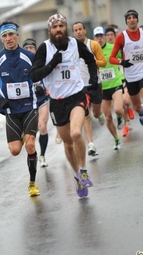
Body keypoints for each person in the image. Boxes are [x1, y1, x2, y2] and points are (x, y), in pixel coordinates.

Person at [31, 13, 98, 198]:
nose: (58, 29)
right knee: (68, 144)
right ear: (50, 30)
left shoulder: (76, 44)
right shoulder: (45, 48)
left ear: (65, 28)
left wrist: (93, 80)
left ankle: (84, 170)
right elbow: (34, 75)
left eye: (61, 26)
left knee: (76, 133)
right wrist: (52, 64)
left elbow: (90, 60)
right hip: (57, 102)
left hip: (76, 96)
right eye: (55, 27)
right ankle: (77, 176)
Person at [0, 21, 40, 197]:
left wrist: (40, 86)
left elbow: (40, 75)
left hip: (30, 107)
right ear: (1, 39)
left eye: (11, 35)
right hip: (11, 111)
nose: (8, 39)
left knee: (30, 146)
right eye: (4, 36)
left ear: (17, 35)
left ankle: (32, 183)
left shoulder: (29, 57)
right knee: (15, 151)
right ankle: (24, 135)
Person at [109, 10, 143, 146]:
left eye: (134, 18)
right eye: (129, 18)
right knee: (137, 105)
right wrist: (122, 62)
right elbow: (112, 58)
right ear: (126, 21)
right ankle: (139, 113)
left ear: (137, 20)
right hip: (131, 76)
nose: (132, 20)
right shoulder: (121, 37)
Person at [72, 21, 106, 156]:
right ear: (73, 33)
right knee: (86, 116)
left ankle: (100, 114)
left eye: (80, 29)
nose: (78, 32)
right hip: (80, 87)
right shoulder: (72, 47)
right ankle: (91, 144)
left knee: (95, 113)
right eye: (76, 30)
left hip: (95, 83)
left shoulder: (93, 44)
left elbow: (103, 63)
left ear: (85, 31)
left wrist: (91, 60)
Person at [94, 26, 124, 150]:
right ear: (94, 38)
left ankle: (120, 117)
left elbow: (123, 58)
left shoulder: (113, 48)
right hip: (103, 88)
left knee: (117, 109)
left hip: (116, 83)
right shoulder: (92, 51)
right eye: (97, 37)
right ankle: (116, 139)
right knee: (107, 117)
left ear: (105, 36)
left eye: (102, 36)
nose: (100, 38)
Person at [23, 38, 49, 167]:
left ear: (35, 49)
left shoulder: (42, 61)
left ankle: (42, 155)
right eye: (26, 48)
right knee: (31, 132)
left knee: (42, 126)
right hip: (28, 101)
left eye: (31, 48)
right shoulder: (20, 63)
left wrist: (43, 86)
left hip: (42, 98)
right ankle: (32, 152)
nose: (29, 50)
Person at [105, 27, 135, 137]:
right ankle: (126, 125)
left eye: (111, 34)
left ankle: (130, 107)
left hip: (124, 77)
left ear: (114, 36)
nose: (109, 37)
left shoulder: (119, 47)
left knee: (126, 101)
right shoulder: (103, 49)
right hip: (113, 81)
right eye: (107, 35)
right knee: (120, 106)